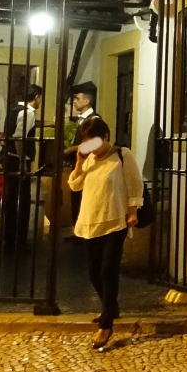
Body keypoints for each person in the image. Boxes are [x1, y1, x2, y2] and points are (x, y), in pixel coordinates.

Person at [68, 115, 143, 350]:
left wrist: (133, 210)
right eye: (86, 142)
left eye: (94, 141)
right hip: (91, 220)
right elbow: (74, 185)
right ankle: (111, 307)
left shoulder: (122, 155)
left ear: (106, 137)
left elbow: (135, 184)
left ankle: (106, 324)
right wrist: (79, 162)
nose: (91, 146)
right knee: (93, 273)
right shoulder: (89, 159)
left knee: (108, 270)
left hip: (115, 220)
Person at [1, 85, 42, 251]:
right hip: (18, 159)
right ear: (36, 97)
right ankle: (20, 240)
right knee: (23, 199)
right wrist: (23, 162)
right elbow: (19, 137)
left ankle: (9, 238)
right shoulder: (29, 113)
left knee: (10, 198)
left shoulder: (13, 110)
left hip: (8, 158)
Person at [65, 82, 99, 229]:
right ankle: (78, 230)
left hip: (88, 166)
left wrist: (72, 149)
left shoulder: (94, 119)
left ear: (87, 101)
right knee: (76, 197)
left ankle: (85, 231)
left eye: (77, 98)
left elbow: (96, 143)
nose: (74, 101)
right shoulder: (82, 119)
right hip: (79, 164)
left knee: (84, 198)